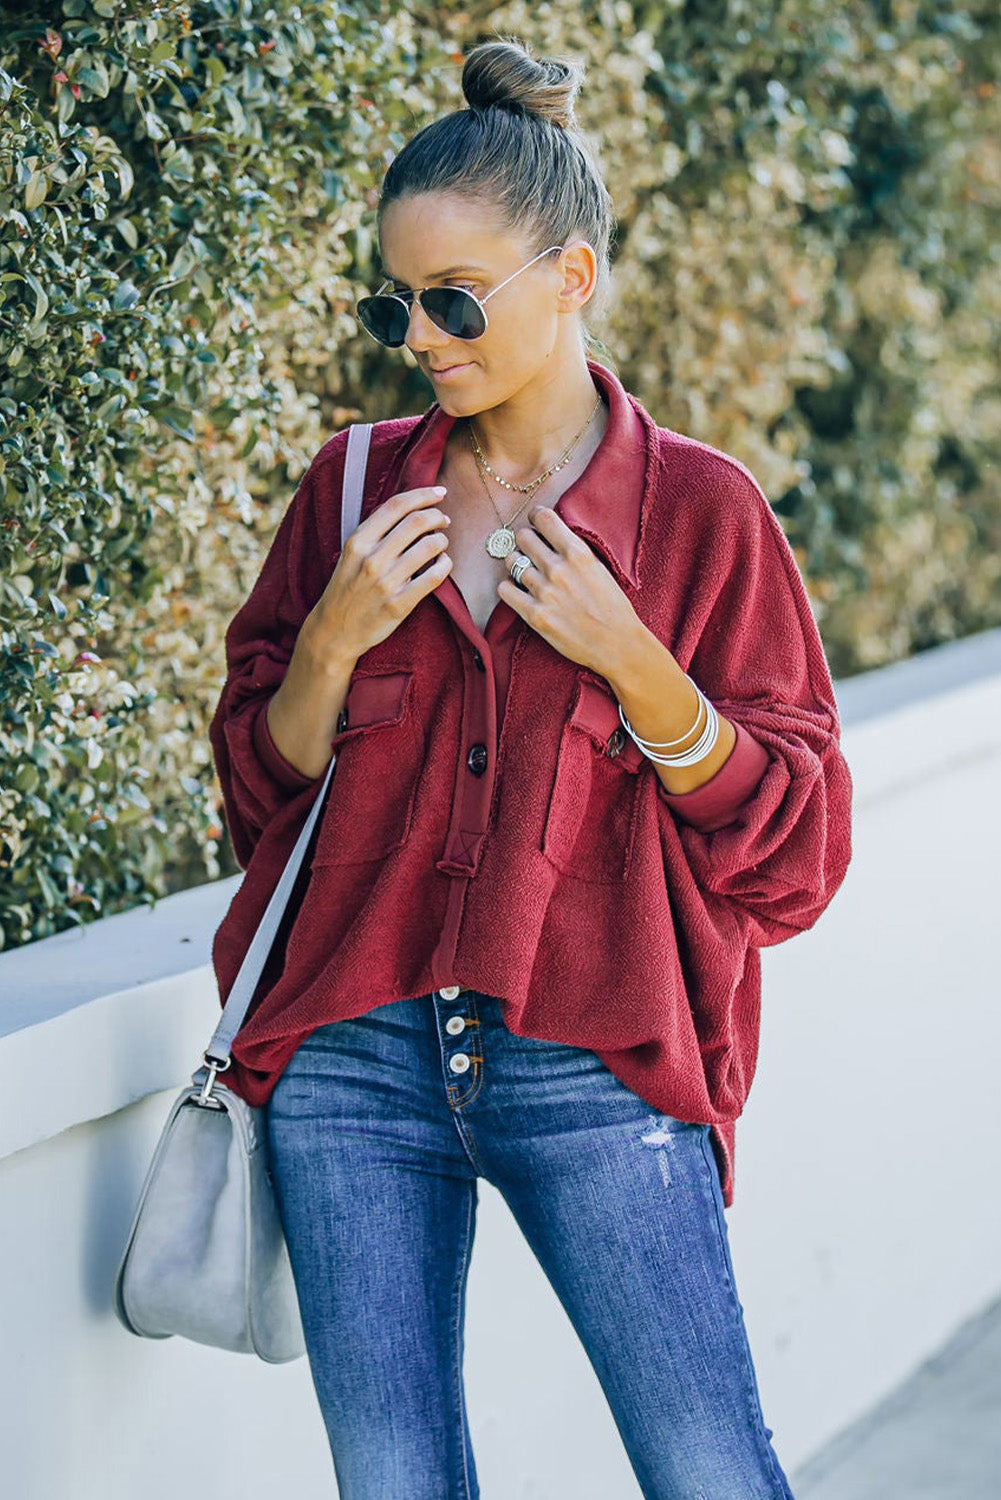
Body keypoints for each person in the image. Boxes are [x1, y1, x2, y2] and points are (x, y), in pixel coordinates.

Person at [208, 36, 853, 1500]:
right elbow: (257, 797)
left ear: (569, 277)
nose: (421, 339)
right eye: (396, 304)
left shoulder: (698, 513)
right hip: (351, 1063)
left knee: (707, 1471)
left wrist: (639, 667)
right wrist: (328, 644)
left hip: (597, 1057)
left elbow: (796, 859)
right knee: (393, 1481)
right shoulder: (353, 488)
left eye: (453, 300)